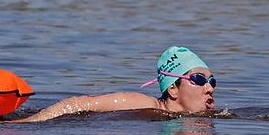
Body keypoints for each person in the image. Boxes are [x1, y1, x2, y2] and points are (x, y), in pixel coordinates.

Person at [12, 46, 216, 123]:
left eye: (211, 81)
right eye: (198, 79)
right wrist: (25, 124)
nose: (210, 88)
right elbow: (79, 103)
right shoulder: (143, 104)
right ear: (172, 88)